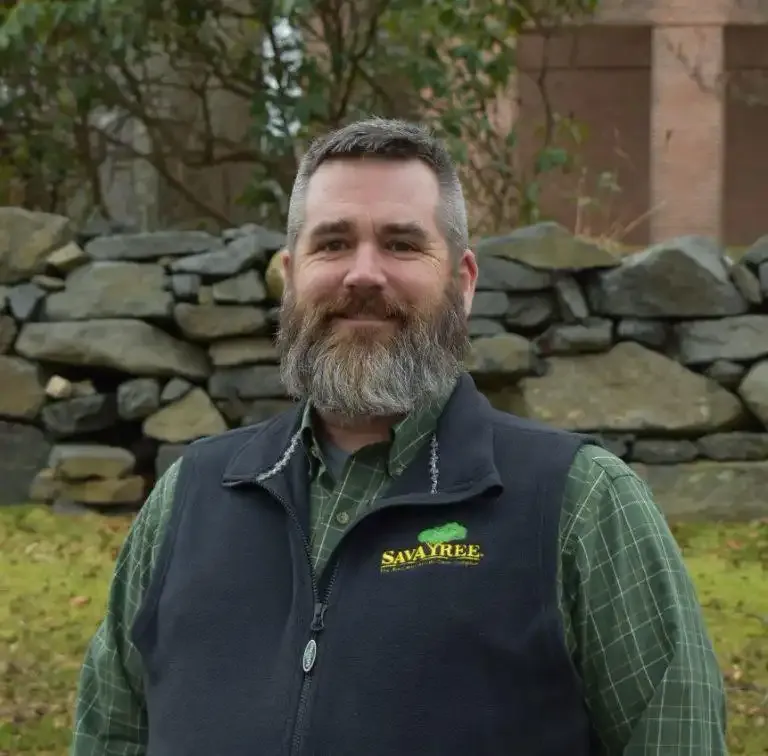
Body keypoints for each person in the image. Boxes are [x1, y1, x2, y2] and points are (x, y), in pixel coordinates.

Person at [70, 117, 727, 756]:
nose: (363, 274)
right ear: (290, 275)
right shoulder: (189, 500)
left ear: (463, 282)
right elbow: (110, 735)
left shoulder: (580, 505)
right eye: (332, 243)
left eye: (401, 244)